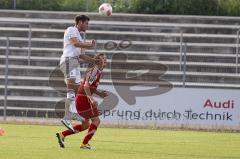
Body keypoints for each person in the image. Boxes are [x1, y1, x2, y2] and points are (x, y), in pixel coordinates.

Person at [56, 53, 108, 149]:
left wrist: (99, 93)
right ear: (98, 61)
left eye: (106, 59)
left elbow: (89, 86)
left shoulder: (96, 71)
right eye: (103, 59)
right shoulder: (95, 71)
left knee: (85, 125)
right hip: (84, 99)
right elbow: (86, 86)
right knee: (96, 120)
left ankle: (62, 134)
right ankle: (84, 144)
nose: (105, 60)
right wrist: (91, 98)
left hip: (81, 98)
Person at [60, 14, 100, 132]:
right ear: (80, 22)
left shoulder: (80, 37)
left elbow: (81, 55)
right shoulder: (71, 30)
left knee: (77, 90)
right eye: (86, 23)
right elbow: (75, 43)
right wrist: (89, 44)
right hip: (68, 60)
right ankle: (67, 116)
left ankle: (71, 114)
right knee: (71, 87)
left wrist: (94, 61)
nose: (88, 25)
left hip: (74, 62)